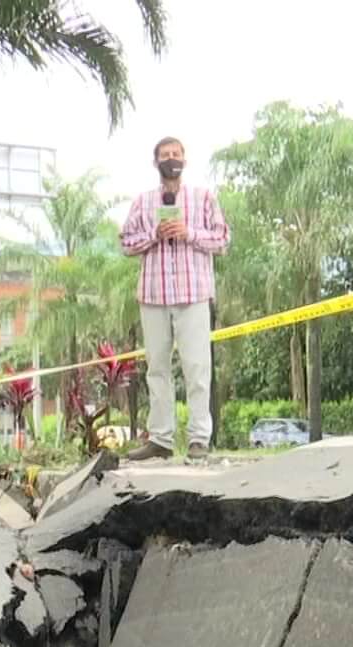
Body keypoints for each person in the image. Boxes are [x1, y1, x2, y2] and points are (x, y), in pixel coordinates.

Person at [119, 136, 230, 461]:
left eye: (176, 154)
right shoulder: (143, 202)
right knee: (157, 369)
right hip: (153, 295)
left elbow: (223, 238)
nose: (171, 159)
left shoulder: (203, 198)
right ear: (156, 163)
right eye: (165, 155)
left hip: (193, 294)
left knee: (197, 368)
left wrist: (189, 233)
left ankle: (199, 439)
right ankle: (161, 440)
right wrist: (154, 234)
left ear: (185, 159)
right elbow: (126, 243)